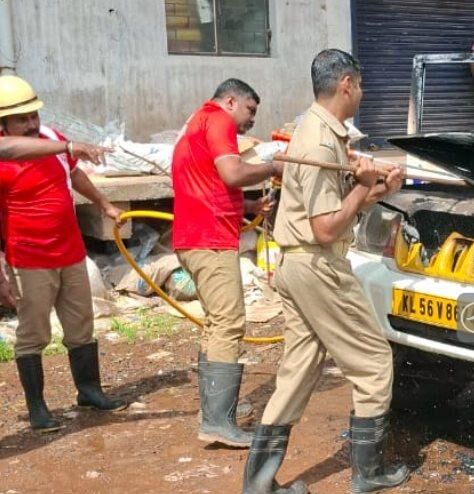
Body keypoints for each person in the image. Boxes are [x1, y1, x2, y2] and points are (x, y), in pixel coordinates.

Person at [241, 49, 409, 494]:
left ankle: (258, 485)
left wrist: (375, 188)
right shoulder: (317, 141)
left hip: (296, 265)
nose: (363, 94)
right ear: (346, 84)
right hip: (318, 266)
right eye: (361, 85)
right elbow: (325, 227)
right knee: (373, 363)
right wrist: (361, 186)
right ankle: (368, 474)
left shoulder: (319, 131)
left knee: (299, 369)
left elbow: (336, 209)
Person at [0, 75, 127, 432]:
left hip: (70, 252)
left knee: (81, 326)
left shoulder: (54, 140)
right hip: (29, 258)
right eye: (21, 119)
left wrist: (104, 204)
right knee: (33, 333)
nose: (31, 124)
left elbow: (74, 176)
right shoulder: (4, 154)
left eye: (33, 116)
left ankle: (89, 392)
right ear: (3, 123)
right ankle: (38, 408)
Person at [172, 78, 281, 448]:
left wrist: (248, 207)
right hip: (208, 240)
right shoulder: (218, 120)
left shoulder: (198, 121)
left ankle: (217, 412)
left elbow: (210, 184)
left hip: (198, 234)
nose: (252, 119)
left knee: (216, 323)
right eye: (250, 110)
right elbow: (232, 174)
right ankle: (218, 421)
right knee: (230, 323)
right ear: (231, 101)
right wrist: (272, 167)